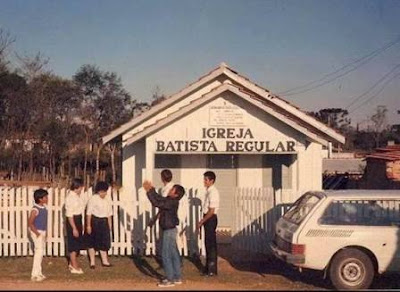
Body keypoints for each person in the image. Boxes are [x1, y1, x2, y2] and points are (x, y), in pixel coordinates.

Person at [143, 180, 185, 288]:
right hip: (171, 230)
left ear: (176, 194)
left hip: (169, 230)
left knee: (166, 254)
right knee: (174, 254)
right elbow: (160, 199)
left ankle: (170, 279)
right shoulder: (170, 200)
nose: (170, 190)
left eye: (172, 190)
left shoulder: (172, 202)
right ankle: (177, 277)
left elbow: (156, 203)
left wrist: (148, 191)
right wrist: (152, 189)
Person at [197, 171, 219, 276]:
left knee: (211, 244)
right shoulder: (208, 191)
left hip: (210, 218)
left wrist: (201, 221)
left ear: (212, 180)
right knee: (207, 243)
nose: (204, 181)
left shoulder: (213, 192)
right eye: (204, 179)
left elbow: (211, 211)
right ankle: (208, 268)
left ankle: (212, 270)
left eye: (206, 179)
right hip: (208, 218)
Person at [86, 181, 113, 268]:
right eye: (101, 191)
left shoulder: (108, 199)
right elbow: (89, 213)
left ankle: (105, 262)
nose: (103, 193)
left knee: (104, 242)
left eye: (105, 191)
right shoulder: (93, 199)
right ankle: (92, 262)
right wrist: (88, 225)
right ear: (98, 191)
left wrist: (109, 225)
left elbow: (109, 213)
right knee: (92, 242)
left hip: (104, 221)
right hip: (95, 221)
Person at [65, 178, 87, 274]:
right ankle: (74, 266)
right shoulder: (70, 198)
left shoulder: (77, 196)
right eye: (81, 187)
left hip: (78, 219)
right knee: (73, 244)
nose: (82, 188)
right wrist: (74, 228)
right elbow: (69, 215)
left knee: (77, 243)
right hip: (72, 221)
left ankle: (71, 263)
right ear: (77, 187)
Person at [28, 188, 49, 282]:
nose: (47, 198)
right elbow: (30, 223)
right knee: (38, 252)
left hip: (42, 232)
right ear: (40, 199)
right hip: (37, 232)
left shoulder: (44, 208)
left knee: (40, 253)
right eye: (45, 197)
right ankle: (34, 274)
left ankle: (39, 272)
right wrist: (37, 233)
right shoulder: (35, 209)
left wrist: (45, 233)